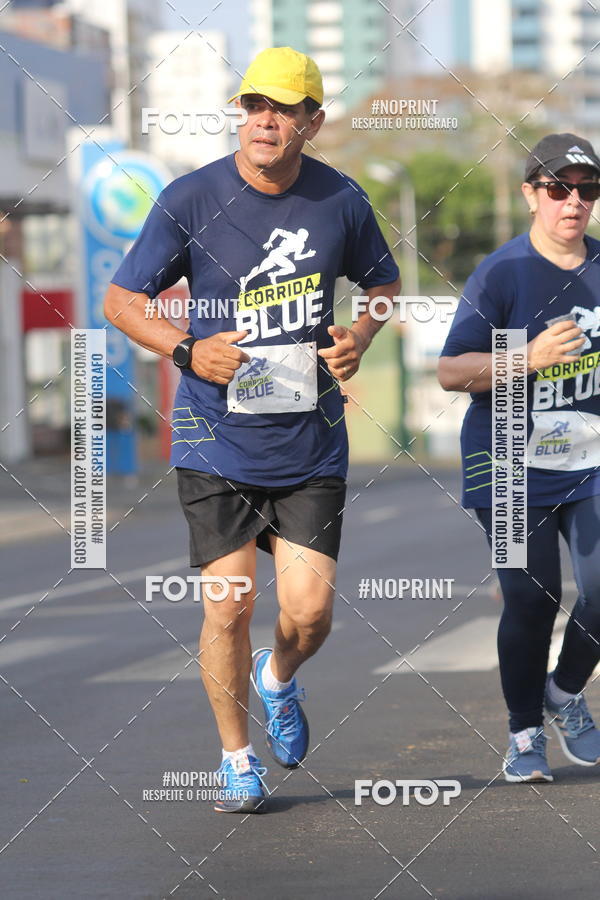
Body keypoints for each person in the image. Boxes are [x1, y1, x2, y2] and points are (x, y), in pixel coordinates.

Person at [104, 46, 400, 812]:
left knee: (309, 613)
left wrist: (361, 335)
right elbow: (122, 299)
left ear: (313, 121)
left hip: (308, 442)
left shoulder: (341, 201)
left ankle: (279, 678)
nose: (265, 121)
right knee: (228, 605)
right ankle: (237, 758)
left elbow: (383, 284)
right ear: (241, 113)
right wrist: (183, 348)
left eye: (284, 109)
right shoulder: (191, 199)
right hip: (214, 438)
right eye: (253, 106)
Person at [438, 133, 600, 783]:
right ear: (530, 193)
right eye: (559, 188)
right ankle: (524, 731)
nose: (574, 202)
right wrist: (524, 359)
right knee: (532, 600)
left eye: (587, 190)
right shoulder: (501, 273)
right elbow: (452, 370)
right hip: (506, 460)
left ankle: (563, 692)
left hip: (590, 459)